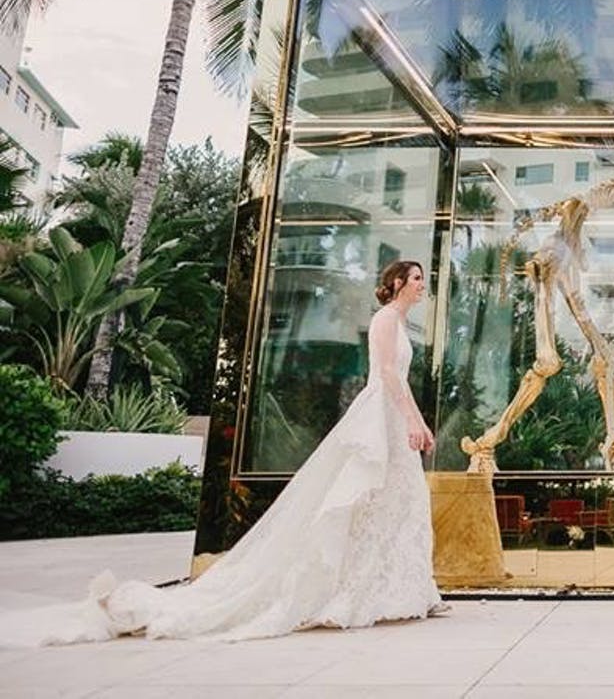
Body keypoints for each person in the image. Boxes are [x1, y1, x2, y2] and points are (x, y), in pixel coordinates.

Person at [0, 260, 445, 646]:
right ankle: (357, 592)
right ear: (398, 284)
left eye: (423, 278)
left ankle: (400, 590)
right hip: (380, 416)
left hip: (391, 414)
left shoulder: (402, 323)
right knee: (365, 501)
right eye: (417, 278)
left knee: (395, 502)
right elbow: (387, 372)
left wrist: (413, 417)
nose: (423, 284)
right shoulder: (386, 319)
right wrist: (413, 420)